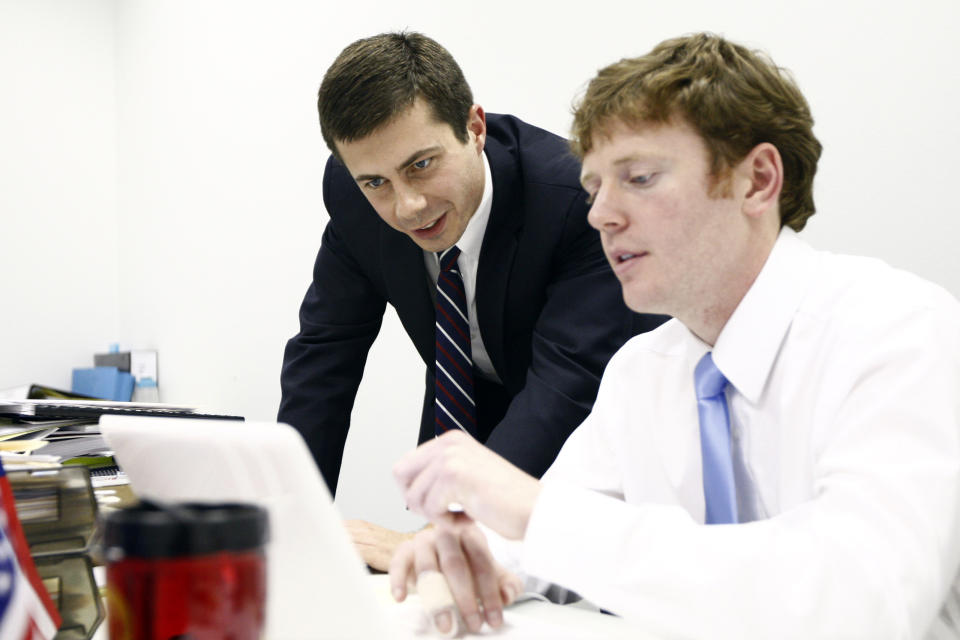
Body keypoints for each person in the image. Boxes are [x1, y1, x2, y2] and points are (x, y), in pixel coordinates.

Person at [389, 33, 960, 638]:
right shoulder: (644, 369)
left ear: (758, 179)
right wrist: (473, 555)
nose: (600, 214)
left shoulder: (900, 331)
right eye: (593, 188)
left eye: (638, 177)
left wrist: (540, 519)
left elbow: (859, 597)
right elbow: (545, 538)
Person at [278, 32, 665, 570]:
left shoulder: (572, 201)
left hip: (598, 453)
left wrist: (445, 540)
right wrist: (287, 525)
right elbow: (324, 354)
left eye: (421, 165)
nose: (407, 205)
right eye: (376, 182)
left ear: (475, 128)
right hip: (475, 433)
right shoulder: (352, 196)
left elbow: (567, 384)